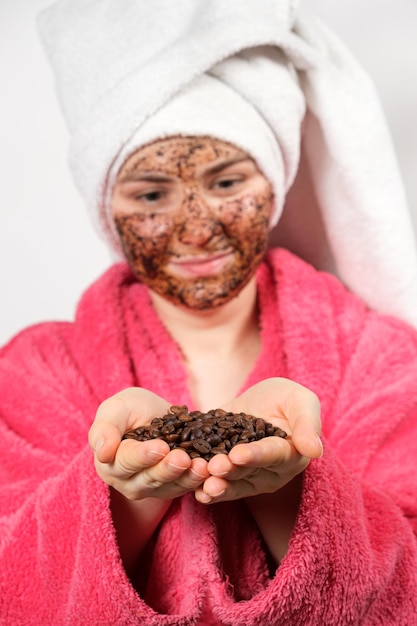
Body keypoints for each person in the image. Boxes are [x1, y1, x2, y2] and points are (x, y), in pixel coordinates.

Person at [1, 1, 417, 625]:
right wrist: (120, 492)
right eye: (150, 193)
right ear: (106, 208)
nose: (196, 229)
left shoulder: (382, 360)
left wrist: (293, 490)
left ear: (273, 186)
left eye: (226, 184)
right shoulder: (34, 373)